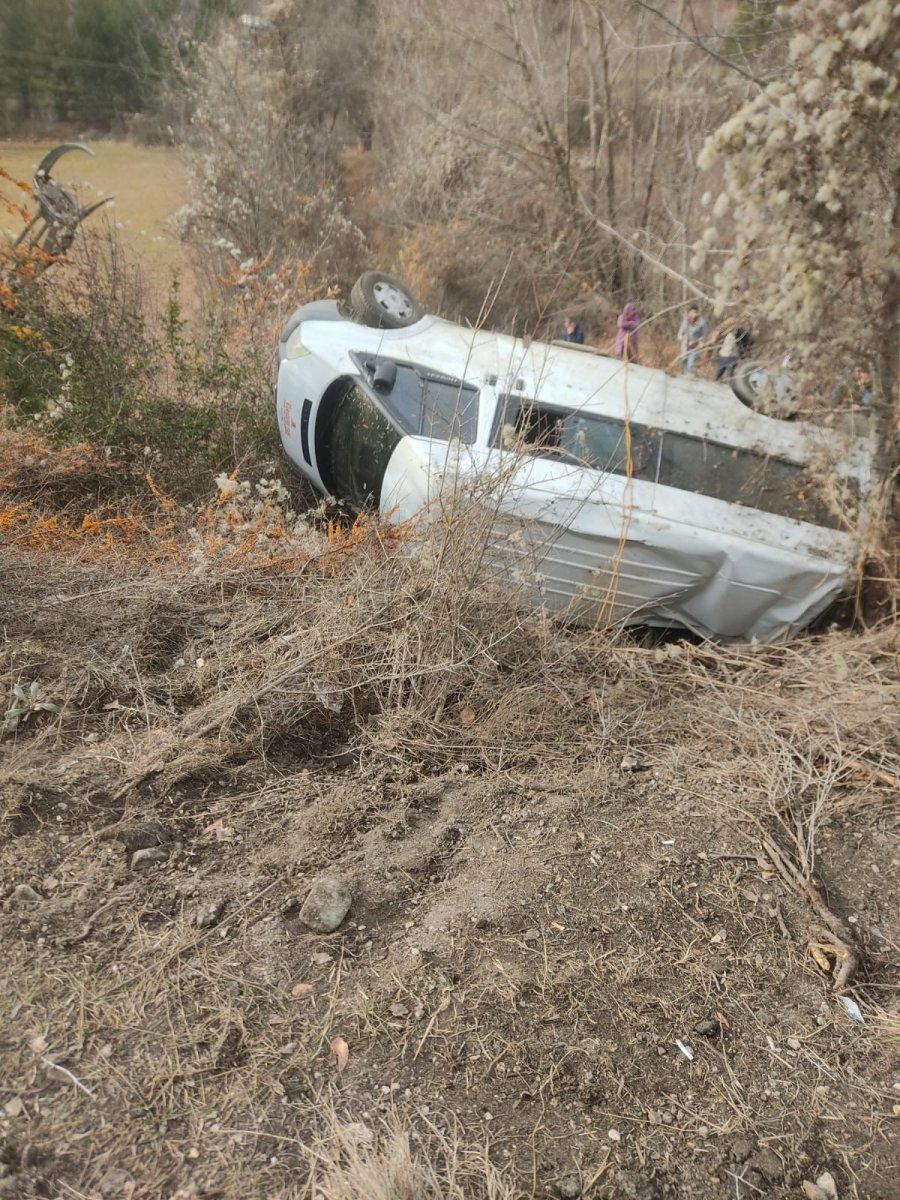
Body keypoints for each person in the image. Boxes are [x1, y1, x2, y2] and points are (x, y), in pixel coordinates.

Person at [677, 306, 708, 375]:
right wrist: (684, 339)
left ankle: (688, 378)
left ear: (697, 314)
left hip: (695, 347)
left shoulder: (702, 323)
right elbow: (679, 334)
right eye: (690, 313)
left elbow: (705, 336)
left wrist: (698, 341)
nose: (692, 315)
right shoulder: (686, 321)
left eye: (694, 313)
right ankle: (683, 378)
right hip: (685, 346)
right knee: (684, 363)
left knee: (690, 365)